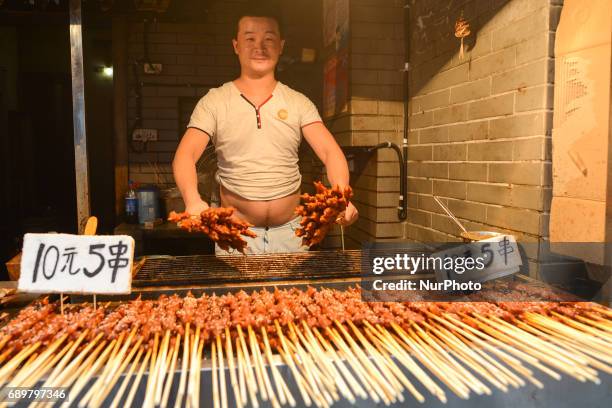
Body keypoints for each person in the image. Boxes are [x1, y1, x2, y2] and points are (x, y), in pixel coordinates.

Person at [172, 7, 358, 254]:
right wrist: (193, 201)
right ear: (236, 45)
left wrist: (340, 197)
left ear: (281, 46)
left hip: (294, 234)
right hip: (236, 236)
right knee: (237, 295)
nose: (259, 47)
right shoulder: (214, 101)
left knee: (297, 295)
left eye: (268, 39)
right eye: (250, 38)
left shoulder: (298, 101)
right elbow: (185, 155)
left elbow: (329, 152)